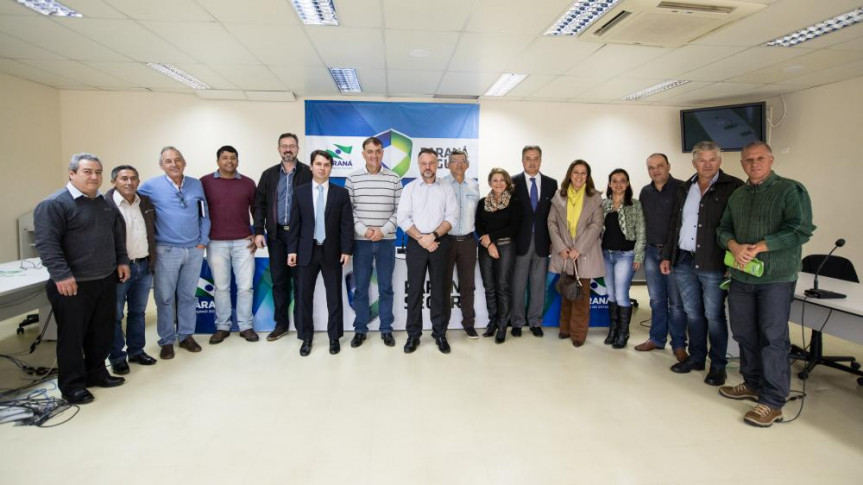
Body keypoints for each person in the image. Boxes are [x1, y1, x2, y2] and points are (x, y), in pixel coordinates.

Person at [717, 141, 815, 427]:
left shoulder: (790, 190)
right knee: (745, 332)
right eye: (748, 160)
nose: (754, 164)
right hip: (741, 275)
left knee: (773, 338)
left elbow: (800, 229)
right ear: (742, 164)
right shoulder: (738, 195)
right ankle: (752, 382)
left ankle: (772, 400)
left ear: (771, 160)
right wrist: (734, 245)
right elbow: (723, 229)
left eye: (760, 158)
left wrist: (760, 246)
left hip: (776, 277)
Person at [34, 153, 130, 404]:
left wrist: (122, 260)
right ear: (72, 173)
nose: (94, 177)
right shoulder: (54, 204)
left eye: (98, 172)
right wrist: (62, 275)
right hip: (72, 284)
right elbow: (47, 244)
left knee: (101, 333)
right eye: (88, 171)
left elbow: (116, 235)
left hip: (105, 279)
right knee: (72, 337)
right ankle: (72, 385)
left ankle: (96, 373)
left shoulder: (104, 203)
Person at [661, 141, 743, 386]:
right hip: (684, 259)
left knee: (714, 315)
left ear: (719, 161)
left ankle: (718, 365)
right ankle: (696, 357)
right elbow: (675, 223)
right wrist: (667, 255)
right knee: (693, 313)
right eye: (702, 160)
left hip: (713, 262)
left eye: (712, 160)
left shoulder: (733, 187)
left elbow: (737, 227)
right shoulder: (686, 187)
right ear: (694, 162)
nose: (707, 165)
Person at [139, 146, 211, 359]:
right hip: (166, 250)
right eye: (168, 161)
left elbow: (205, 215)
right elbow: (131, 200)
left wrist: (203, 241)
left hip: (194, 250)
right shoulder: (151, 186)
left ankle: (186, 335)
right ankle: (167, 340)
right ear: (162, 165)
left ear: (184, 162)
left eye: (177, 160)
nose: (174, 164)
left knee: (188, 296)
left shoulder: (196, 184)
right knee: (165, 297)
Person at [287, 150, 353, 356]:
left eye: (326, 165)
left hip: (332, 252)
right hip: (306, 252)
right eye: (318, 164)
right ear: (311, 167)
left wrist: (347, 250)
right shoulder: (300, 192)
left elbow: (346, 225)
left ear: (331, 168)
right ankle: (306, 337)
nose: (322, 168)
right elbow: (295, 225)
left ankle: (334, 337)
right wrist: (292, 250)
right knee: (304, 297)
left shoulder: (340, 193)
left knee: (334, 297)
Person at [397, 148, 458, 354]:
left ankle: (440, 333)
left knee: (440, 290)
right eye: (424, 163)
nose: (428, 167)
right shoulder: (410, 188)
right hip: (416, 244)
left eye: (431, 163)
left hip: (440, 243)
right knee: (414, 290)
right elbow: (403, 219)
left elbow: (452, 217)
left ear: (437, 164)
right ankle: (413, 335)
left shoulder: (446, 188)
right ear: (418, 164)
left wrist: (433, 236)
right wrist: (422, 238)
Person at [253, 133, 312, 341]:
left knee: (301, 281)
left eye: (292, 146)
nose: (288, 149)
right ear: (279, 149)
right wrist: (259, 230)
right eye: (284, 146)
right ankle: (281, 324)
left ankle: (303, 326)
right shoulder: (268, 175)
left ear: (297, 149)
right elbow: (259, 204)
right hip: (276, 236)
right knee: (279, 281)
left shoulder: (308, 173)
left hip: (301, 237)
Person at [345, 136, 401, 348]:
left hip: (386, 241)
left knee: (385, 288)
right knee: (360, 288)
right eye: (370, 151)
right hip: (361, 241)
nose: (374, 155)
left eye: (378, 151)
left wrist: (383, 230)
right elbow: (348, 212)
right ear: (363, 154)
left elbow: (400, 210)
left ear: (382, 153)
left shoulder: (394, 178)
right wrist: (365, 231)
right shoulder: (352, 179)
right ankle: (360, 329)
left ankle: (386, 329)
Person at [201, 145, 259, 344]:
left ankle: (245, 326)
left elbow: (257, 211)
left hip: (243, 242)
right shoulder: (205, 182)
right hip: (216, 242)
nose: (229, 161)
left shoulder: (249, 183)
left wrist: (257, 233)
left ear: (238, 160)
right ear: (218, 161)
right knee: (221, 287)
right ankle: (222, 326)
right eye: (225, 158)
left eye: (233, 158)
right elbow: (199, 213)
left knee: (245, 287)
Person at [635, 154, 688, 362]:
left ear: (668, 166)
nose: (655, 170)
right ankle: (656, 339)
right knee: (657, 300)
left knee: (676, 302)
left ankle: (678, 344)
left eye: (659, 166)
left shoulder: (682, 189)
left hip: (674, 254)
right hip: (651, 252)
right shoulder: (645, 192)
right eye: (651, 167)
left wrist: (669, 252)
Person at [105, 165, 158, 375]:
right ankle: (117, 357)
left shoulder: (144, 202)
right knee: (115, 315)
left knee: (138, 312)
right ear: (114, 182)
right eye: (124, 178)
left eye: (133, 178)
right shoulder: (106, 204)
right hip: (119, 268)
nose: (129, 182)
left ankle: (136, 351)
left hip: (144, 265)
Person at [547, 160, 605, 347]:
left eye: (583, 173)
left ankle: (578, 335)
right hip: (564, 253)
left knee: (581, 296)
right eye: (576, 172)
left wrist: (578, 249)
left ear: (588, 177)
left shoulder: (595, 197)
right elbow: (551, 223)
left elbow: (596, 225)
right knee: (566, 293)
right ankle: (565, 329)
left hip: (583, 254)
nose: (579, 177)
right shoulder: (558, 196)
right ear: (569, 175)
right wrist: (561, 246)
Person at [511, 146, 558, 338]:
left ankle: (535, 321)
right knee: (518, 284)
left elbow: (555, 215)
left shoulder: (551, 184)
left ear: (541, 160)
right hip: (519, 242)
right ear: (522, 161)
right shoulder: (512, 182)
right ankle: (517, 322)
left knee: (539, 284)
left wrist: (554, 241)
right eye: (528, 159)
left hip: (542, 242)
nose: (532, 162)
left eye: (536, 158)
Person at [601, 169, 646, 349]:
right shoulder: (603, 205)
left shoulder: (634, 205)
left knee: (621, 295)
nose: (618, 184)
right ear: (610, 184)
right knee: (610, 294)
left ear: (627, 184)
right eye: (614, 181)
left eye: (622, 181)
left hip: (625, 256)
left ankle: (623, 332)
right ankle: (613, 329)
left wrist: (639, 255)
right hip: (606, 254)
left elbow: (641, 230)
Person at [476, 168, 521, 344]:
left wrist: (492, 239)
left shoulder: (515, 202)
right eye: (495, 180)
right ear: (490, 183)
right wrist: (489, 244)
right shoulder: (482, 203)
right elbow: (478, 225)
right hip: (487, 247)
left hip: (506, 247)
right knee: (489, 286)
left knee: (502, 286)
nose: (499, 183)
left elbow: (514, 228)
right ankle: (493, 321)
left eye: (502, 180)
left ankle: (503, 325)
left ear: (507, 182)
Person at [443, 149, 480, 339]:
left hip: (467, 241)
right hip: (446, 241)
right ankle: (442, 325)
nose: (458, 164)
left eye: (462, 161)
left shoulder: (474, 186)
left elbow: (479, 216)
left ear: (467, 164)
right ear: (448, 164)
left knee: (468, 286)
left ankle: (469, 324)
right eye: (454, 160)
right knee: (444, 285)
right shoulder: (440, 184)